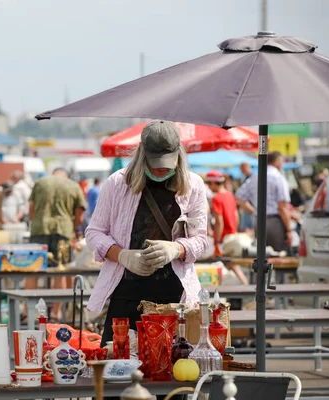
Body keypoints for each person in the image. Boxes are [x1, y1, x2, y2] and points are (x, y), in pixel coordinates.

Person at [85, 120, 206, 347]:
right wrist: (122, 255)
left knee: (173, 368)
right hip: (127, 294)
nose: (161, 169)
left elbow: (201, 240)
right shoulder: (117, 183)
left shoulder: (194, 185)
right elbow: (94, 233)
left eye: (167, 163)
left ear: (178, 155)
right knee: (118, 368)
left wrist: (176, 248)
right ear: (142, 155)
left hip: (174, 297)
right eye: (155, 163)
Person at [27, 168, 87, 319]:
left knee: (33, 269)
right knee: (61, 270)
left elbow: (31, 211)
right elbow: (80, 217)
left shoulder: (40, 183)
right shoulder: (73, 186)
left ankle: (29, 312)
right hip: (63, 230)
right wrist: (70, 227)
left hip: (39, 228)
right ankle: (56, 313)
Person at [236, 151, 292, 252]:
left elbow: (239, 198)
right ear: (277, 161)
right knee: (277, 256)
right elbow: (282, 207)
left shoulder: (255, 177)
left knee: (261, 257)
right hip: (274, 222)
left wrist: (253, 210)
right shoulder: (278, 178)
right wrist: (289, 230)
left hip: (259, 221)